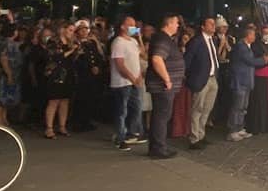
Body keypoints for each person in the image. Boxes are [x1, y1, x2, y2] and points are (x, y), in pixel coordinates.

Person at [146, 14, 186, 159]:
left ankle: (157, 146)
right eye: (176, 23)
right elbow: (157, 59)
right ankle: (159, 148)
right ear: (169, 23)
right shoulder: (162, 39)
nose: (178, 25)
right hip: (162, 85)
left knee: (160, 116)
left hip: (163, 85)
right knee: (162, 116)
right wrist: (167, 79)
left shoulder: (165, 39)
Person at [228, 27, 268, 141]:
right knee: (237, 107)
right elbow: (250, 61)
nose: (254, 37)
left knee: (243, 107)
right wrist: (264, 60)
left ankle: (240, 128)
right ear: (247, 35)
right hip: (240, 81)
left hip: (247, 81)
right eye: (253, 35)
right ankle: (233, 130)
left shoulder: (248, 47)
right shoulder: (241, 47)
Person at [183, 16, 220, 150]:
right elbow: (187, 60)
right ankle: (194, 138)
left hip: (212, 78)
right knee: (197, 108)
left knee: (207, 108)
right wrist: (190, 77)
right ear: (203, 27)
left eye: (214, 24)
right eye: (210, 24)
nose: (213, 26)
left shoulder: (213, 40)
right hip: (200, 79)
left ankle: (201, 134)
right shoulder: (196, 41)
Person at [110, 16, 146, 151]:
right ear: (122, 27)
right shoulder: (118, 42)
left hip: (134, 81)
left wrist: (139, 38)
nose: (134, 27)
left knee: (137, 108)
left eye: (134, 25)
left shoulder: (133, 41)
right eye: (130, 25)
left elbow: (142, 54)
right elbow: (120, 65)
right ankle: (120, 138)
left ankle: (132, 132)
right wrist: (132, 78)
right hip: (122, 82)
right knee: (122, 111)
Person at [43, 22, 78, 138]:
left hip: (68, 73)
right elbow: (55, 56)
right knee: (54, 100)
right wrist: (71, 50)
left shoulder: (71, 42)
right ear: (63, 29)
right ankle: (49, 128)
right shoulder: (53, 41)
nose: (72, 33)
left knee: (65, 100)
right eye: (70, 30)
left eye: (73, 31)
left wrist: (76, 50)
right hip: (56, 74)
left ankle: (62, 126)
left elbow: (74, 57)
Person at [247, 24, 268, 135]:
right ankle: (257, 126)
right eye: (265, 33)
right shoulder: (255, 45)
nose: (267, 35)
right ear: (261, 33)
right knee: (259, 102)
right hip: (259, 77)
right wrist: (265, 61)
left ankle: (267, 126)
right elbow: (253, 60)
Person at [72, 20, 104, 132]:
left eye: (86, 29)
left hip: (92, 75)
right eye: (81, 30)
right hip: (83, 74)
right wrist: (89, 67)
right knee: (81, 99)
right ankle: (79, 122)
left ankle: (87, 120)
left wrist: (97, 66)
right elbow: (76, 60)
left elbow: (97, 56)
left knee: (91, 98)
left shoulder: (91, 43)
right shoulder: (76, 43)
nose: (84, 32)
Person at [0, 22, 23, 127]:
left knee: (7, 97)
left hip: (13, 72)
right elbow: (4, 59)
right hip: (6, 73)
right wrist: (9, 74)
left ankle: (4, 117)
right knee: (2, 96)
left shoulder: (10, 43)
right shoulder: (7, 44)